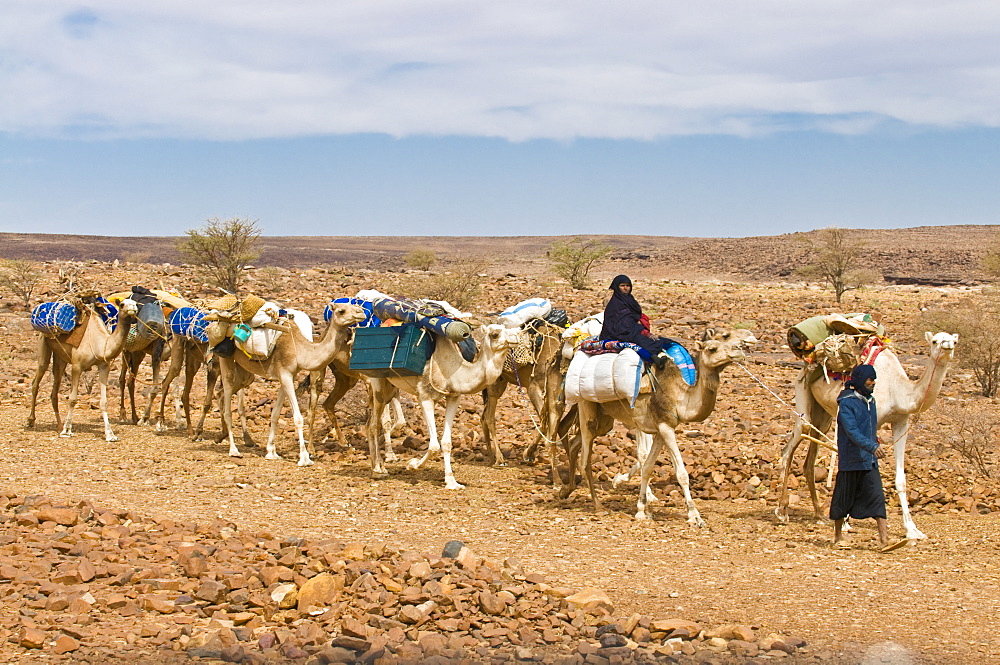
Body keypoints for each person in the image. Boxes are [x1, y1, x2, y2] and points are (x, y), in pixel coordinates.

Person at [829, 364, 897, 551]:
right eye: (870, 380)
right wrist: (872, 446)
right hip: (851, 460)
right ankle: (838, 537)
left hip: (869, 460)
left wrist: (875, 441)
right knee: (843, 498)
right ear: (860, 380)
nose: (873, 383)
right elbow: (851, 431)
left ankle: (884, 539)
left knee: (877, 497)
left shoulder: (870, 401)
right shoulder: (847, 403)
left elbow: (869, 428)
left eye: (874, 380)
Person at [600, 275, 671, 369]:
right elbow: (620, 323)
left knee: (656, 340)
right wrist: (642, 332)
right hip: (615, 332)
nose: (625, 288)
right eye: (622, 286)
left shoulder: (630, 300)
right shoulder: (615, 304)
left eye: (628, 286)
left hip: (629, 330)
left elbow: (632, 318)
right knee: (640, 340)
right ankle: (653, 359)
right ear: (617, 287)